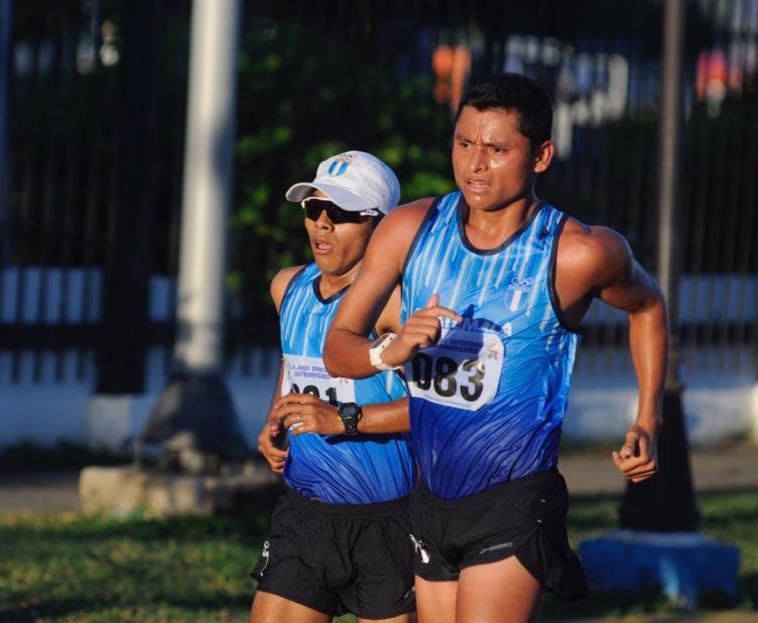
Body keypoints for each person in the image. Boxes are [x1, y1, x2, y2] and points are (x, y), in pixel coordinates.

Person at [322, 74, 667, 623]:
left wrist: (648, 416)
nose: (474, 164)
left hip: (514, 497)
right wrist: (389, 351)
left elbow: (648, 307)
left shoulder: (577, 253)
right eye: (463, 143)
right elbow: (337, 348)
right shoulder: (410, 228)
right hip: (430, 499)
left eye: (496, 149)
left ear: (541, 155)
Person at [251, 151, 417, 623]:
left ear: (381, 227)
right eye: (312, 209)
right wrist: (274, 420)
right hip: (305, 514)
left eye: (341, 214)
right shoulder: (288, 287)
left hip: (388, 520)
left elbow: (437, 409)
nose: (322, 224)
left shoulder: (396, 304)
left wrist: (342, 420)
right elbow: (292, 365)